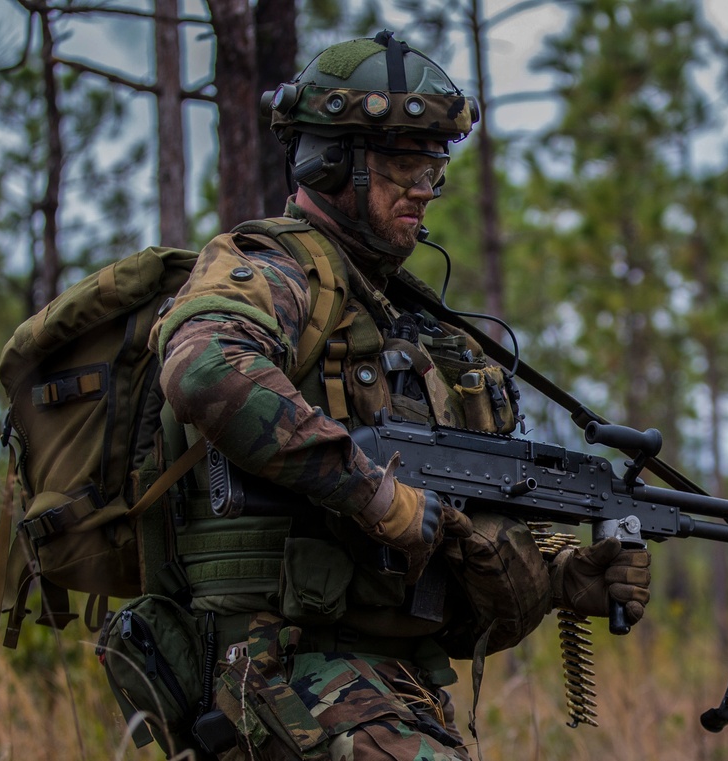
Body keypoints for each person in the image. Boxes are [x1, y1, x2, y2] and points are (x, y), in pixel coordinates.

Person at [150, 31, 652, 761]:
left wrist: (562, 580)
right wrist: (379, 498)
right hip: (278, 666)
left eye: (435, 165)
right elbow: (203, 368)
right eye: (404, 162)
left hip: (386, 685)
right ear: (330, 162)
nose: (425, 186)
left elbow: (447, 585)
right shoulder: (276, 273)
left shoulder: (408, 326)